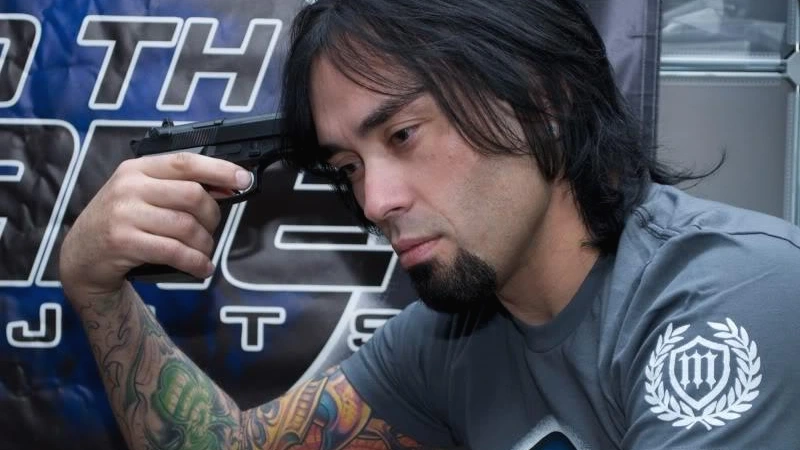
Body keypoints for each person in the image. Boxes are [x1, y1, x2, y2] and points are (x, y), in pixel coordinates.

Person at [58, 0, 800, 448]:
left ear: (544, 98)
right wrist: (95, 289)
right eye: (348, 166)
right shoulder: (457, 337)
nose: (375, 201)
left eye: (404, 135)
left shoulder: (728, 298)